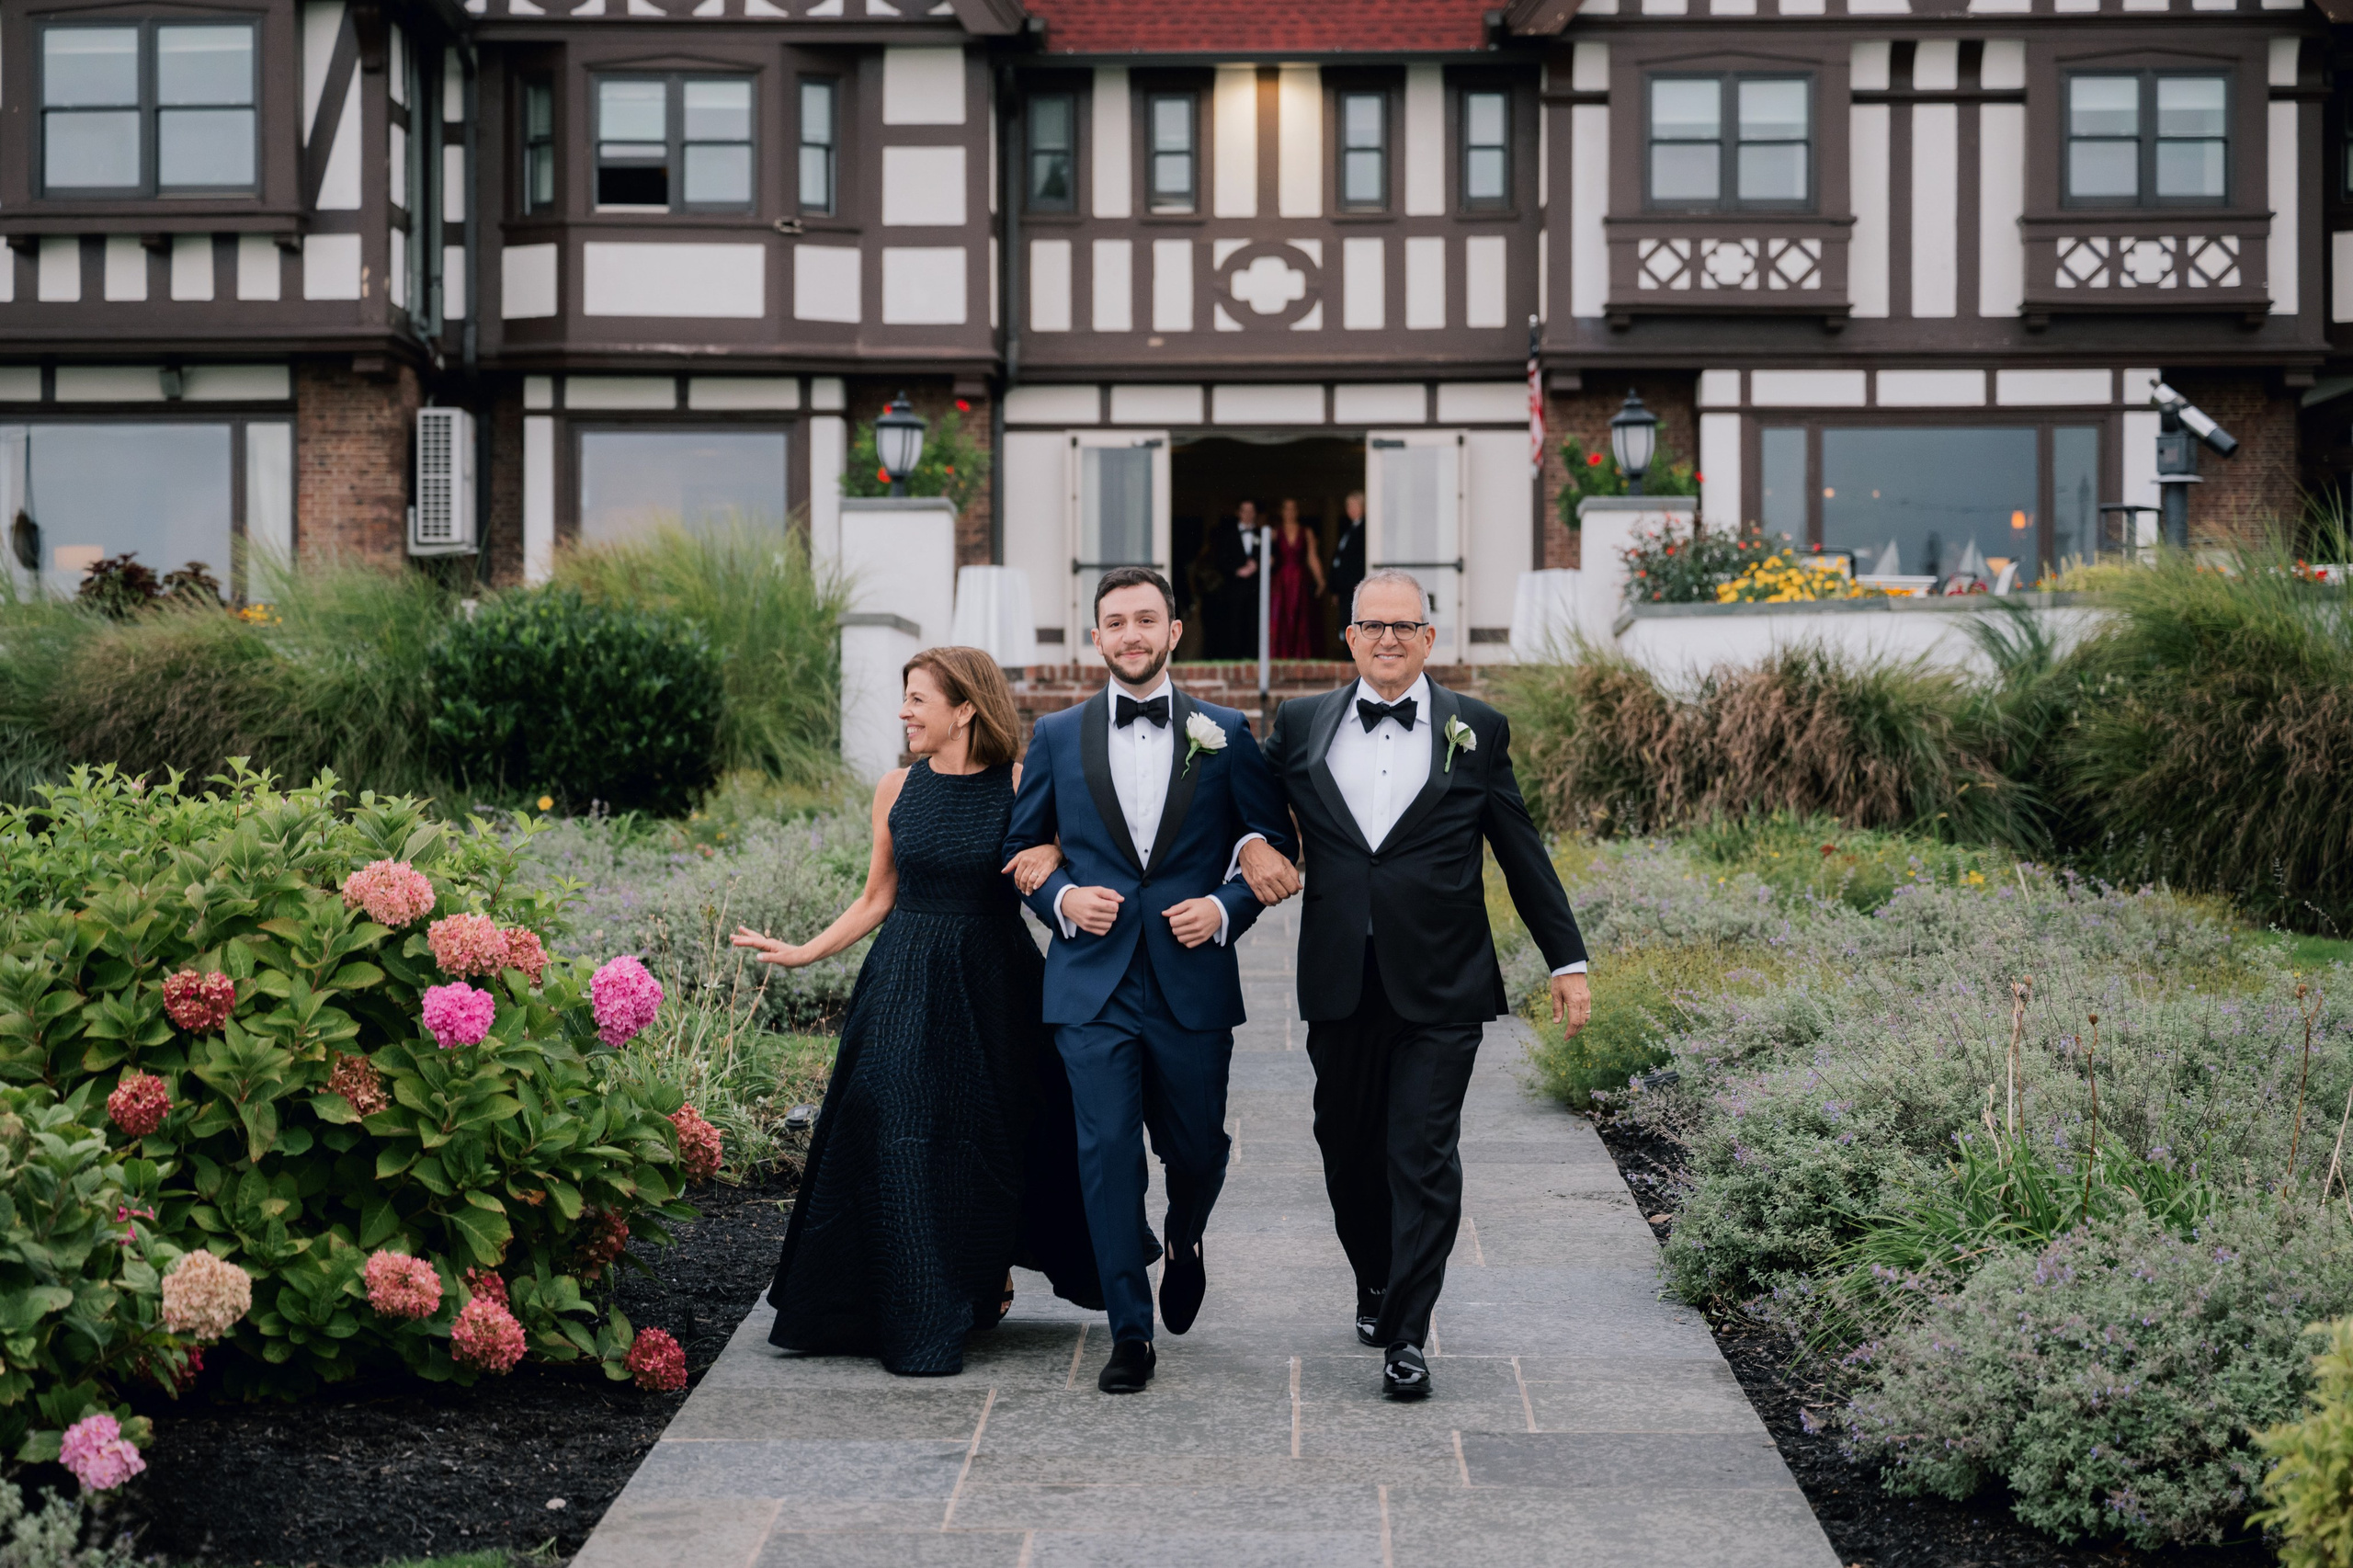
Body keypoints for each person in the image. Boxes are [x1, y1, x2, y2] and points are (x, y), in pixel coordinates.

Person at [1260, 570, 1594, 1402]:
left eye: (1404, 627)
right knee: (1346, 1150)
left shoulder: (1476, 729)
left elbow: (1521, 850)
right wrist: (1249, 848)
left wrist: (1568, 959)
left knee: (1421, 1154)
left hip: (1443, 986)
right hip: (1340, 981)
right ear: (1349, 638)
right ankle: (1376, 1278)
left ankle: (1408, 1334)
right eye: (1372, 626)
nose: (1387, 640)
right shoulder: (1301, 723)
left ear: (1429, 640)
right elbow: (1247, 805)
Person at [731, 648, 1094, 1377]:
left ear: (965, 709)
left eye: (917, 699)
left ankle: (979, 1280)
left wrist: (1053, 852)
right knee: (896, 1126)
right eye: (905, 697)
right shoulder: (895, 787)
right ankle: (915, 1306)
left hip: (996, 989)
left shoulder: (1024, 785)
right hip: (902, 980)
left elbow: (1060, 874)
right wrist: (805, 953)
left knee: (983, 1142)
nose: (903, 712)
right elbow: (877, 897)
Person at [1002, 566, 1300, 1394]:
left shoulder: (1228, 731)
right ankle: (1128, 1334)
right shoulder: (1056, 735)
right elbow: (1020, 854)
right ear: (1095, 638)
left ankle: (1188, 1234)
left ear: (1174, 632)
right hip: (1089, 987)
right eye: (1114, 622)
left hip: (1191, 978)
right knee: (1105, 1158)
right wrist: (1063, 897)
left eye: (1146, 620)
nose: (1130, 634)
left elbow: (1271, 847)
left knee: (1197, 1148)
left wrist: (1223, 906)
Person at [1268, 498, 1325, 660]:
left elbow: (1312, 557)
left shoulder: (1306, 532)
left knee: (1301, 617)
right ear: (1282, 511)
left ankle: (1300, 656)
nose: (1290, 512)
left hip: (1300, 580)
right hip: (1281, 582)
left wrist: (1320, 580)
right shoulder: (1275, 533)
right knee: (1281, 617)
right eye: (1287, 509)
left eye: (1293, 509)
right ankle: (1280, 656)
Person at [1206, 500, 1264, 660]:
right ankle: (1234, 657)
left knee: (1254, 622)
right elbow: (1220, 561)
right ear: (1238, 513)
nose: (1248, 515)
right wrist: (1237, 571)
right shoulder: (1229, 535)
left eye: (1251, 511)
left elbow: (1274, 558)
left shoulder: (1261, 533)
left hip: (1255, 587)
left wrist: (1257, 565)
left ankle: (1253, 656)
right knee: (1234, 622)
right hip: (1234, 587)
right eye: (1245, 511)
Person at [1328, 490, 1368, 626]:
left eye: (1353, 505)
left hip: (1353, 587)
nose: (1349, 509)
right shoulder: (1350, 529)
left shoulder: (1364, 529)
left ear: (1363, 507)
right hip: (1345, 590)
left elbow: (1358, 560)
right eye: (1348, 506)